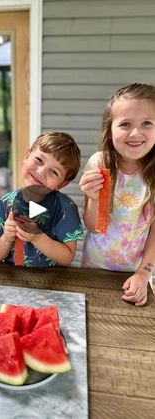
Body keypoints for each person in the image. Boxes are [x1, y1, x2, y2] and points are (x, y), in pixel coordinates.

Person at [79, 83, 155, 306]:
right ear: (109, 129)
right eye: (125, 124)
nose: (136, 133)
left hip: (138, 271)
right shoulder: (100, 163)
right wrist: (94, 198)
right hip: (95, 269)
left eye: (147, 123)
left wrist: (143, 274)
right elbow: (94, 226)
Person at [0, 131, 84, 267]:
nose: (40, 172)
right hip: (10, 280)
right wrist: (7, 237)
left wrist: (37, 237)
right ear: (27, 155)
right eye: (39, 160)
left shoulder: (65, 208)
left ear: (62, 184)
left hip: (51, 281)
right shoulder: (4, 203)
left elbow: (67, 257)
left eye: (54, 172)